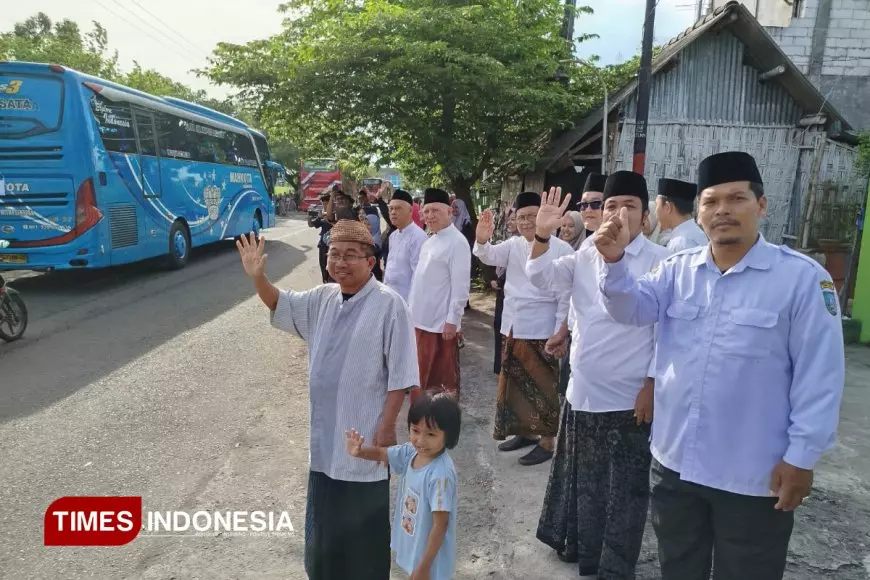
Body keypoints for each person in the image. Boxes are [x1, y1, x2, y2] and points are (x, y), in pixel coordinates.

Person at [596, 151, 846, 580]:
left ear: (761, 206)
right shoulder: (677, 271)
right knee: (679, 567)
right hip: (676, 464)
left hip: (753, 473)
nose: (723, 211)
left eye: (737, 199)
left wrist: (803, 457)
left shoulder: (801, 280)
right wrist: (615, 263)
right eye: (711, 202)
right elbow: (630, 310)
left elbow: (819, 376)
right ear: (698, 212)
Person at [236, 220, 419, 580]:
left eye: (351, 255)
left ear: (372, 261)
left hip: (364, 437)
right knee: (326, 518)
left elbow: (401, 376)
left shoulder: (389, 304)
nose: (340, 262)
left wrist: (385, 428)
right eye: (334, 254)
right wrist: (258, 277)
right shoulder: (322, 298)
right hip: (326, 437)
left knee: (362, 524)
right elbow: (280, 303)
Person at [528, 173, 669, 578]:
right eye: (610, 205)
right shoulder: (587, 250)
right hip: (583, 388)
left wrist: (651, 385)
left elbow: (665, 333)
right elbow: (542, 278)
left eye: (629, 205)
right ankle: (585, 553)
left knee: (624, 491)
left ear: (644, 217)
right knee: (586, 482)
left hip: (629, 397)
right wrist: (541, 235)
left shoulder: (660, 261)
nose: (617, 213)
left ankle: (615, 566)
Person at [474, 192, 572, 466]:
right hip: (513, 326)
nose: (527, 222)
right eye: (522, 217)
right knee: (515, 385)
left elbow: (566, 297)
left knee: (543, 388)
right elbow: (488, 254)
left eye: (532, 216)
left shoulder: (563, 249)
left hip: (543, 329)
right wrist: (482, 238)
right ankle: (524, 433)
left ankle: (546, 441)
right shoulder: (514, 244)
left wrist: (559, 331)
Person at [345, 392, 460, 580]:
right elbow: (383, 453)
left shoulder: (440, 475)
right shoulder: (410, 453)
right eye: (415, 431)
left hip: (431, 561)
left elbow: (440, 524)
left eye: (431, 434)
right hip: (417, 548)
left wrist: (424, 567)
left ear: (449, 435)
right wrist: (359, 452)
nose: (420, 441)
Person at [408, 188, 471, 402]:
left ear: (449, 212)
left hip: (440, 326)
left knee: (441, 382)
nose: (429, 216)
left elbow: (460, 287)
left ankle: (439, 428)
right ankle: (420, 423)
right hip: (421, 321)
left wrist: (453, 321)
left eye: (435, 210)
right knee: (420, 378)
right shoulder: (429, 242)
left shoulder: (457, 242)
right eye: (426, 211)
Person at [384, 189, 428, 302]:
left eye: (398, 208)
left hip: (407, 301)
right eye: (391, 208)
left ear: (410, 210)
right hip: (390, 298)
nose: (393, 212)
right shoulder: (393, 236)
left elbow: (419, 277)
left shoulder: (419, 237)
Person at [492, 208, 518, 375]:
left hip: (511, 295)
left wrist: (500, 281)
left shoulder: (526, 244)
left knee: (509, 330)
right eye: (510, 219)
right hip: (502, 293)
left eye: (513, 219)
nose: (510, 222)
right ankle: (500, 366)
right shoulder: (509, 241)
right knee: (500, 327)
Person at [655, 177, 708, 253]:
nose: (655, 212)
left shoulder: (681, 242)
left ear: (667, 207)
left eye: (657, 205)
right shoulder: (694, 233)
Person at [308, 191, 333, 283]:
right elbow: (311, 225)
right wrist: (309, 218)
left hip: (333, 246)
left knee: (331, 267)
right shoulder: (321, 215)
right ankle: (325, 282)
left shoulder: (334, 214)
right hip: (323, 245)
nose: (325, 205)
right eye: (324, 203)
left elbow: (337, 225)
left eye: (327, 203)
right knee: (323, 266)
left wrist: (327, 218)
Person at [577, 173, 607, 247]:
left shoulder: (623, 244)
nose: (588, 210)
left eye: (595, 204)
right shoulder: (586, 244)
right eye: (584, 204)